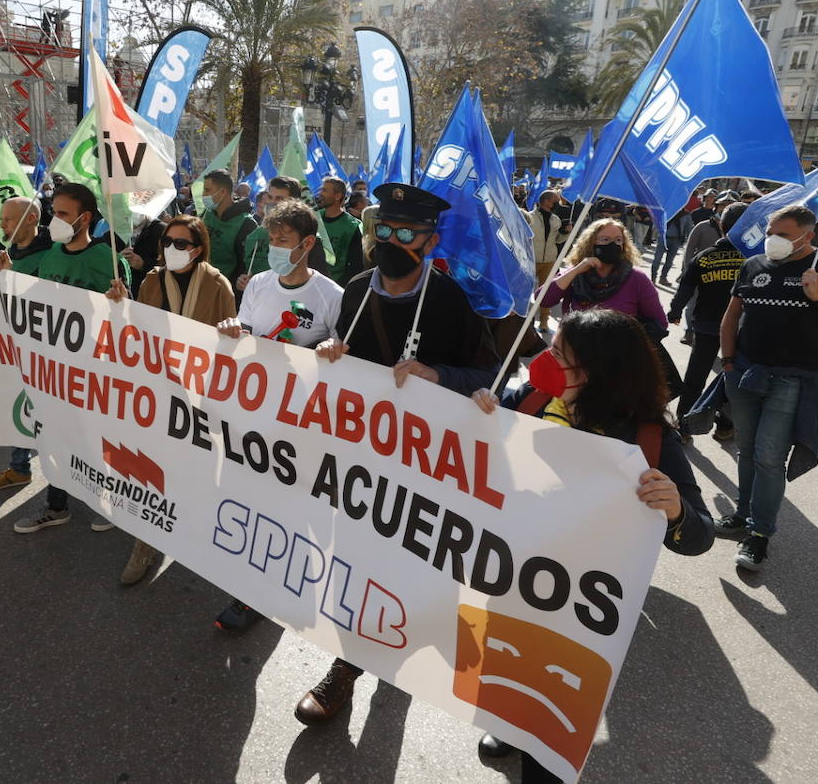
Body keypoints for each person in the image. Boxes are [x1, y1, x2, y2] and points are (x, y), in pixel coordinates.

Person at [471, 308, 714, 780]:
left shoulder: (649, 437)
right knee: (504, 659)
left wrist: (675, 509)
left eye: (560, 354)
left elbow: (698, 536)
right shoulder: (529, 400)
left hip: (581, 595)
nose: (544, 358)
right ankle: (510, 724)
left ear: (598, 371)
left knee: (552, 697)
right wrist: (481, 408)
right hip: (513, 571)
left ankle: (538, 748)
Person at [292, 182, 499, 727]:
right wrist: (330, 352)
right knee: (357, 561)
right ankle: (345, 668)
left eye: (406, 234)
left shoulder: (456, 301)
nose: (391, 241)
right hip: (364, 461)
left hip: (433, 467)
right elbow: (339, 360)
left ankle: (408, 648)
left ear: (429, 242)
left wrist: (440, 376)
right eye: (383, 229)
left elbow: (491, 379)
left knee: (416, 566)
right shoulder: (357, 290)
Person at [717, 205, 818, 571]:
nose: (774, 240)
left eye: (784, 234)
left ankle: (759, 535)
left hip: (791, 378)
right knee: (746, 448)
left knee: (770, 456)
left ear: (809, 235)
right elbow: (732, 315)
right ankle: (742, 514)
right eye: (771, 231)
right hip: (742, 373)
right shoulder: (753, 265)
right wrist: (727, 361)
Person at [213, 199, 342, 630]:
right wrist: (234, 329)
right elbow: (247, 333)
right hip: (254, 418)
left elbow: (347, 362)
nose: (274, 248)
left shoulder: (331, 296)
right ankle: (251, 586)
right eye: (271, 240)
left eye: (283, 241)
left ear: (307, 244)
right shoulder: (259, 284)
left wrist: (333, 352)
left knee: (288, 510)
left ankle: (272, 590)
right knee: (253, 502)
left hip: (301, 427)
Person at [106, 214, 236, 584]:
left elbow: (231, 346)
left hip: (200, 394)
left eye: (181, 243)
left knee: (196, 470)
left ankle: (197, 537)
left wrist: (232, 331)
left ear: (198, 248)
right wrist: (120, 303)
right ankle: (144, 545)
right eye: (167, 242)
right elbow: (138, 328)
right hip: (158, 389)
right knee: (153, 470)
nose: (172, 249)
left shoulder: (217, 284)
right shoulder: (151, 280)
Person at [12, 183, 130, 531]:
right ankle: (56, 504)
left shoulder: (106, 259)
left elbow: (131, 320)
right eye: (54, 212)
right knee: (56, 436)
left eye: (63, 214)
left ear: (85, 218)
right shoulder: (51, 254)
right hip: (54, 370)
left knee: (97, 441)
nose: (55, 220)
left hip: (95, 371)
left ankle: (110, 503)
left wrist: (122, 301)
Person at [0, 196, 51, 491]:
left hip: (45, 355)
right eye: (1, 218)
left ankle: (61, 483)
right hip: (13, 351)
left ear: (30, 219)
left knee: (50, 418)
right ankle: (19, 468)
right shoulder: (9, 253)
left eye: (8, 219)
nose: (1, 224)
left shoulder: (50, 256)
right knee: (19, 405)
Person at [669, 202, 747, 436]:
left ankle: (683, 425)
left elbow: (685, 288)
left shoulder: (703, 258)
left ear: (721, 226)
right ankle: (725, 426)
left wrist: (674, 313)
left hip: (707, 326)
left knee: (696, 377)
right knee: (734, 377)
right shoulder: (754, 258)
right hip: (742, 330)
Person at [540, 219, 666, 327]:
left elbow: (659, 323)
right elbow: (543, 300)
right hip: (573, 348)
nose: (612, 244)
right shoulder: (576, 273)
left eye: (618, 240)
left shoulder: (637, 279)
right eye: (605, 239)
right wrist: (575, 271)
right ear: (590, 243)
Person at [239, 176, 302, 288]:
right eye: (269, 197)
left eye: (279, 199)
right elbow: (245, 269)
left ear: (294, 203)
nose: (272, 203)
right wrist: (241, 281)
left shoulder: (304, 239)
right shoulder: (254, 236)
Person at [199, 170, 256, 285]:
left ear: (223, 192)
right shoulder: (206, 214)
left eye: (207, 190)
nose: (203, 195)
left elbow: (246, 265)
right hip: (202, 281)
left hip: (227, 288)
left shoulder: (246, 224)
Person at [524, 189, 567, 332]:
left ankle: (544, 322)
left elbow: (558, 240)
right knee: (525, 293)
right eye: (556, 200)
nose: (559, 203)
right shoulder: (530, 217)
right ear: (547, 201)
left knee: (545, 293)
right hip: (531, 261)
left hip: (549, 260)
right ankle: (526, 323)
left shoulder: (556, 219)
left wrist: (566, 233)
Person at [316, 176, 365, 287]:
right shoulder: (314, 218)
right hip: (313, 282)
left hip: (336, 285)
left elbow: (355, 265)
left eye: (325, 190)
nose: (320, 194)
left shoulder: (352, 226)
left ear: (337, 196)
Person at [649, 204, 692, 286]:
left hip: (676, 240)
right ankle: (653, 278)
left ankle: (663, 277)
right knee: (657, 259)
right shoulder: (666, 210)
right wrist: (654, 234)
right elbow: (657, 222)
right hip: (663, 238)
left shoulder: (686, 215)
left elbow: (688, 228)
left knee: (669, 261)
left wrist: (689, 241)